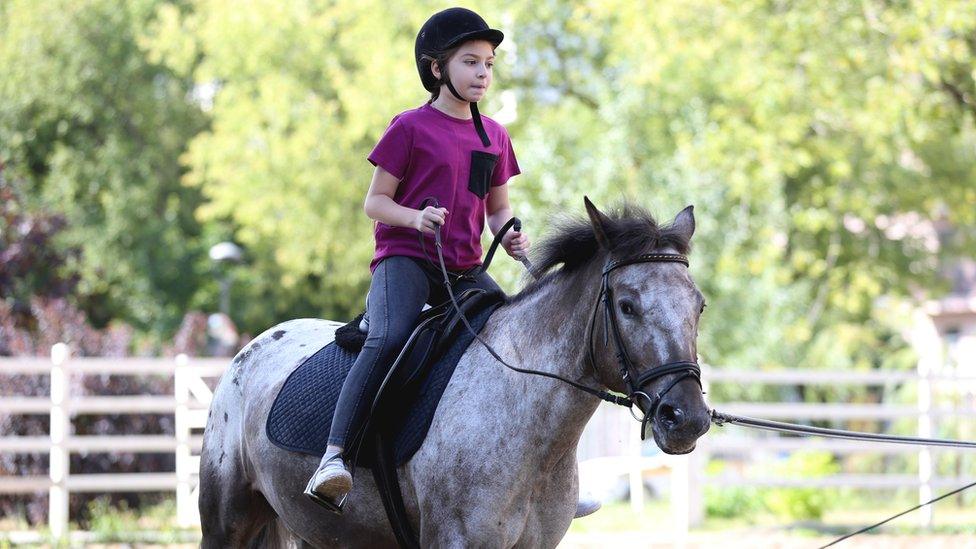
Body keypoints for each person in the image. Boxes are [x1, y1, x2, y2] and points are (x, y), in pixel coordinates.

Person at [304, 7, 528, 511]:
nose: (482, 74)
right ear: (436, 69)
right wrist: (414, 218)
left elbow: (498, 209)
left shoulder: (494, 135)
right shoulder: (409, 127)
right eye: (470, 62)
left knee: (517, 336)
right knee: (388, 337)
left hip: (466, 270)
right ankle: (334, 457)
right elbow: (374, 203)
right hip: (405, 258)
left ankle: (533, 478)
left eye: (489, 64)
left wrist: (510, 235)